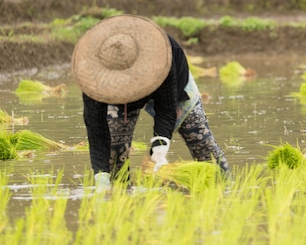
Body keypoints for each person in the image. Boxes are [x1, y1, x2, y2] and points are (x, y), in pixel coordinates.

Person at [72, 14, 230, 192]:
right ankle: (121, 197)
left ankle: (227, 189)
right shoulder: (92, 76)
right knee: (115, 157)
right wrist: (101, 177)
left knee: (202, 142)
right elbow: (96, 129)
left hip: (172, 87)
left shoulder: (163, 56)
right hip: (117, 96)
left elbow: (166, 110)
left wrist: (159, 151)